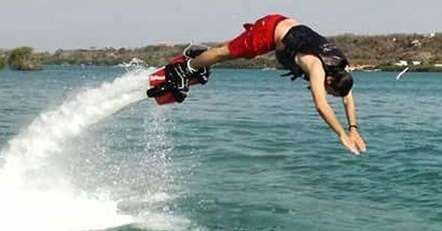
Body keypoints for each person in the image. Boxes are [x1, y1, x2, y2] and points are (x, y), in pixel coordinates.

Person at [157, 14, 367, 155]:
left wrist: (353, 128)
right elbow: (322, 106)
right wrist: (341, 134)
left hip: (283, 27)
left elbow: (348, 98)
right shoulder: (316, 67)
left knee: (231, 54)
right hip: (270, 31)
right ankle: (185, 67)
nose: (328, 94)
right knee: (226, 54)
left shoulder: (342, 68)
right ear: (329, 80)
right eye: (330, 91)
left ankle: (201, 57)